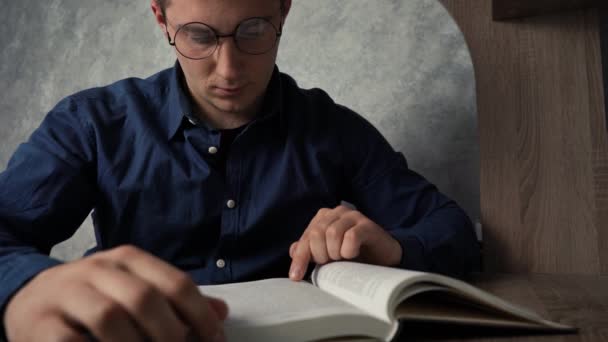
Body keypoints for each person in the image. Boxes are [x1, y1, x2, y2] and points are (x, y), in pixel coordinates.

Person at [0, 0, 481, 340]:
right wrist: (30, 287)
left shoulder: (335, 129)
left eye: (252, 30)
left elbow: (453, 230)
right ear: (161, 19)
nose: (228, 70)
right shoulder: (91, 124)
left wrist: (393, 248)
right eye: (198, 36)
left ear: (284, 12)